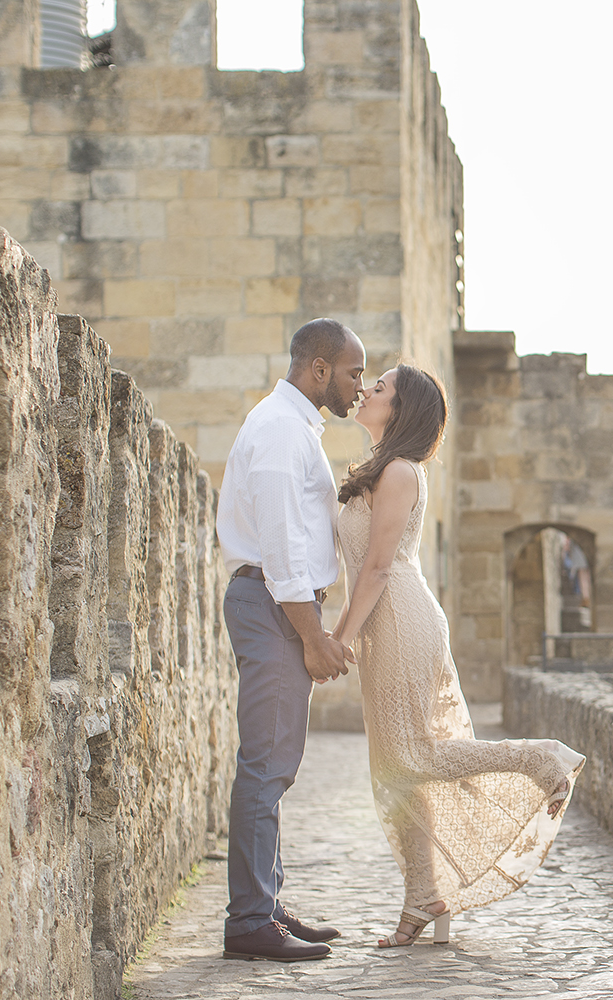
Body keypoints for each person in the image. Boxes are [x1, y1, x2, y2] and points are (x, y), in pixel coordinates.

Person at [331, 363, 585, 948]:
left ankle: (540, 758)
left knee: (413, 757)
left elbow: (375, 567)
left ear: (401, 409)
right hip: (383, 623)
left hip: (398, 618)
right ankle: (423, 896)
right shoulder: (378, 468)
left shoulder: (399, 470)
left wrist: (339, 637)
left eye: (382, 386)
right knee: (394, 770)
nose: (368, 388)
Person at [216, 318, 365, 962]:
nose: (360, 385)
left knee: (275, 763)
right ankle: (249, 922)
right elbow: (281, 549)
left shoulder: (298, 425)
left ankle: (265, 904)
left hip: (279, 606)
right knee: (264, 765)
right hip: (275, 605)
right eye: (355, 372)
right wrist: (313, 637)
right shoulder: (280, 430)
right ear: (320, 369)